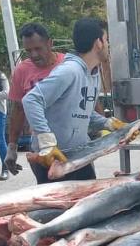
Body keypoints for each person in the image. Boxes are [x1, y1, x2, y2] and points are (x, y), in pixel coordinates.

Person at [22, 18, 124, 184]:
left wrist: (108, 124)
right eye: (106, 40)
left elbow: (81, 112)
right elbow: (31, 100)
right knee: (59, 210)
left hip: (79, 157)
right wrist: (46, 141)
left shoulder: (92, 73)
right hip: (54, 159)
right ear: (98, 43)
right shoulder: (70, 70)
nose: (108, 45)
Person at [4, 22, 65, 176]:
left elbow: (86, 97)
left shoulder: (67, 65)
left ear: (50, 43)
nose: (34, 55)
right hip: (41, 147)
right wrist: (12, 148)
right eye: (28, 51)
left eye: (38, 49)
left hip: (72, 143)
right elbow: (18, 110)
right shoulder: (22, 71)